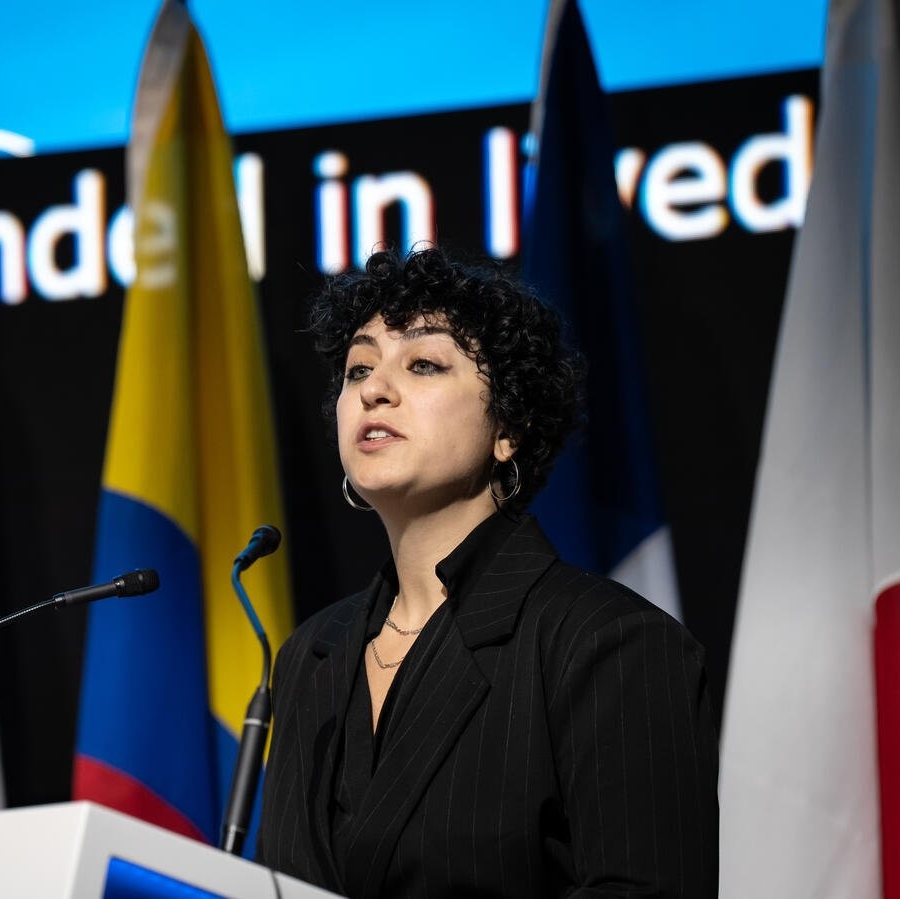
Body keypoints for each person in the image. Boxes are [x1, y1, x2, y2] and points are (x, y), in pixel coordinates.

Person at [257, 247, 718, 897]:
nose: (373, 389)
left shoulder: (610, 642)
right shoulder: (310, 654)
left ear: (509, 427)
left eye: (423, 363)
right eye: (359, 367)